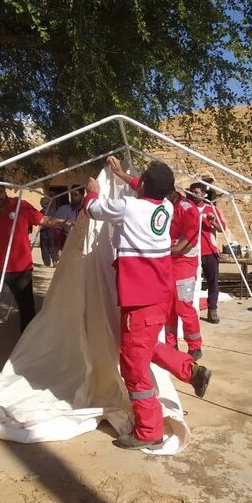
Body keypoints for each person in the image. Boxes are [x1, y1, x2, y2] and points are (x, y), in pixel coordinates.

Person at [84, 161, 212, 451]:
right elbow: (144, 190)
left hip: (138, 300)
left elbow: (93, 210)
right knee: (145, 346)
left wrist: (92, 192)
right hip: (157, 296)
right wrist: (120, 174)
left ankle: (148, 431)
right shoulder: (165, 208)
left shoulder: (129, 207)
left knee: (133, 366)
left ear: (142, 187)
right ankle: (190, 371)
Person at [106, 156, 203, 359]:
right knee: (168, 308)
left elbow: (188, 239)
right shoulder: (162, 203)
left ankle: (194, 345)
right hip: (166, 262)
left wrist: (168, 248)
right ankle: (171, 345)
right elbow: (141, 187)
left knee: (183, 306)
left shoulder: (186, 209)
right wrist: (121, 174)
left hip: (183, 262)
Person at [0, 180, 69, 347]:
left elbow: (42, 220)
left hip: (20, 267)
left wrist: (63, 222)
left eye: (0, 192)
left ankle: (27, 339)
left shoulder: (19, 205)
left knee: (26, 305)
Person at [189, 182, 226, 324]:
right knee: (191, 282)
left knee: (212, 283)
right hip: (192, 251)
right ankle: (192, 310)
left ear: (204, 194)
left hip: (209, 252)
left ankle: (212, 310)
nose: (194, 195)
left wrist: (213, 222)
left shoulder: (211, 209)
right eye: (192, 192)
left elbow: (222, 228)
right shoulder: (187, 208)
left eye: (196, 192)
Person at [54, 186, 84, 259]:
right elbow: (58, 229)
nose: (73, 197)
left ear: (82, 195)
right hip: (67, 241)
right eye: (71, 194)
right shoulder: (63, 209)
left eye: (76, 194)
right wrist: (58, 248)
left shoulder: (87, 209)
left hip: (83, 242)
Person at [39, 196, 57, 267]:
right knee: (44, 247)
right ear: (41, 205)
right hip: (44, 231)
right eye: (44, 204)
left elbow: (55, 220)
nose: (45, 205)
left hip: (51, 231)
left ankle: (54, 260)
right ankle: (47, 262)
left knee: (52, 246)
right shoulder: (41, 212)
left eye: (47, 203)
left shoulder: (52, 211)